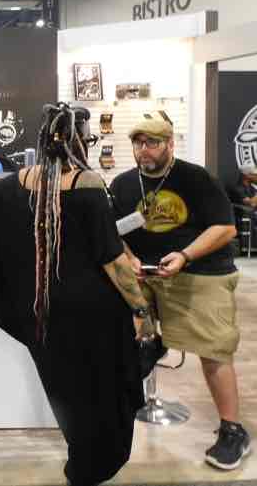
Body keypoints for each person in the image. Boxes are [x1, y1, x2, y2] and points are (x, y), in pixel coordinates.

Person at [0, 103, 147, 486]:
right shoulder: (87, 184)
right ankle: (91, 467)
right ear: (78, 141)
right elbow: (112, 260)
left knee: (66, 392)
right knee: (100, 394)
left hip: (40, 313)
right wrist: (141, 309)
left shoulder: (4, 189)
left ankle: (80, 460)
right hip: (93, 314)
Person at [110, 118, 248, 471]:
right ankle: (151, 343)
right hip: (145, 275)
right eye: (139, 143)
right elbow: (114, 233)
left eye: (153, 143)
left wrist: (185, 255)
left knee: (213, 349)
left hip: (200, 272)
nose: (144, 150)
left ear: (170, 144)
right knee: (118, 325)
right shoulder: (123, 184)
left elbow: (226, 227)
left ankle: (233, 431)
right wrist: (130, 257)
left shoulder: (196, 178)